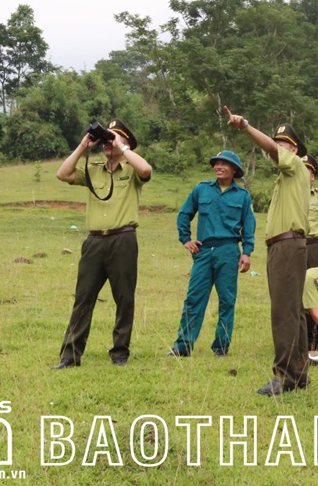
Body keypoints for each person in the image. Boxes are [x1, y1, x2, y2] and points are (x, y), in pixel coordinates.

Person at [224, 107, 311, 396]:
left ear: (294, 149)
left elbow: (272, 148)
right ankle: (299, 373)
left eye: (283, 143)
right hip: (285, 246)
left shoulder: (296, 165)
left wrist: (246, 125)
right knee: (293, 311)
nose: (277, 146)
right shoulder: (286, 177)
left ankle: (284, 375)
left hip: (287, 246)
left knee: (283, 312)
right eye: (278, 142)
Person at [52, 119, 152, 368]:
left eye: (114, 139)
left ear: (126, 142)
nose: (108, 144)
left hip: (123, 239)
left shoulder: (130, 169)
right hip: (94, 241)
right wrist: (83, 146)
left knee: (124, 298)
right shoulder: (94, 169)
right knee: (83, 298)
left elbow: (147, 171)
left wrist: (123, 147)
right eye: (107, 140)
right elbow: (62, 174)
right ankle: (70, 355)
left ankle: (120, 353)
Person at [168, 150, 256, 357]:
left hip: (229, 251)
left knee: (227, 300)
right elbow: (184, 214)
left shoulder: (242, 196)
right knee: (194, 298)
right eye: (216, 163)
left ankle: (221, 347)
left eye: (224, 164)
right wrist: (185, 239)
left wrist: (247, 252)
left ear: (234, 170)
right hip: (204, 251)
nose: (218, 167)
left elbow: (249, 225)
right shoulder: (202, 190)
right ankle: (182, 346)